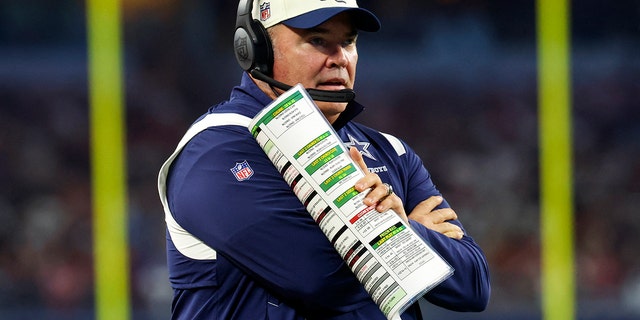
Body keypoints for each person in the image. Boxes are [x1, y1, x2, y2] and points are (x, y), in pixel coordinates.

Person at [157, 0, 491, 319]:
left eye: (348, 42)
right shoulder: (217, 150)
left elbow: (474, 285)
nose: (340, 58)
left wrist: (403, 230)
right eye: (317, 40)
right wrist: (401, 228)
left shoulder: (390, 151)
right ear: (255, 48)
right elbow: (320, 278)